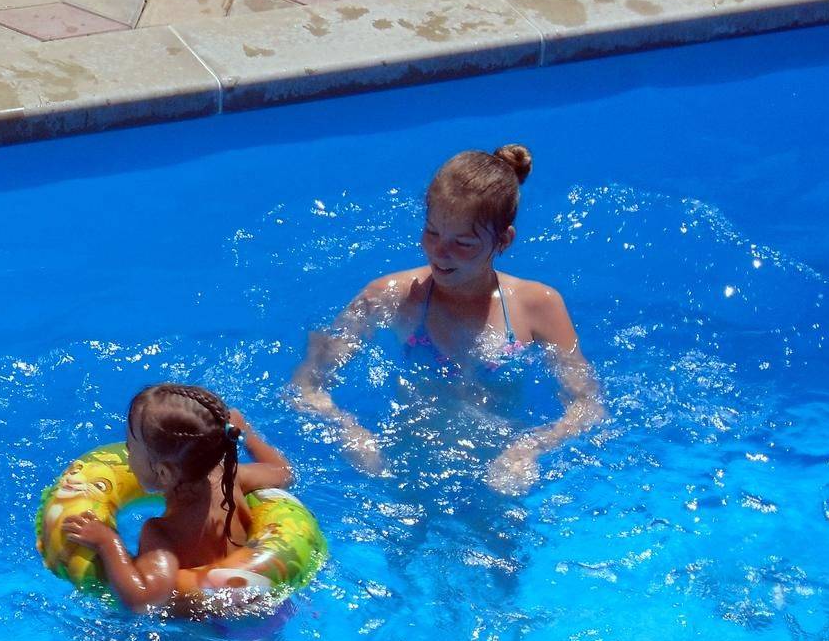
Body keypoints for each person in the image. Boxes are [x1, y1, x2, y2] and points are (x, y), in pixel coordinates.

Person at [291, 144, 605, 494]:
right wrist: (347, 429)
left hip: (500, 471)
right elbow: (306, 385)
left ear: (503, 241)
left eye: (464, 243)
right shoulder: (389, 296)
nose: (440, 253)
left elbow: (587, 404)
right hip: (405, 468)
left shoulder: (538, 305)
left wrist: (530, 448)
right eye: (432, 233)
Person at [61, 384, 294, 613]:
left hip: (211, 625)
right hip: (266, 601)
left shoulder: (162, 532)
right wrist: (247, 435)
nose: (127, 456)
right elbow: (283, 472)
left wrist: (108, 543)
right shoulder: (228, 476)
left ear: (163, 473)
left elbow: (144, 600)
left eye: (130, 448)